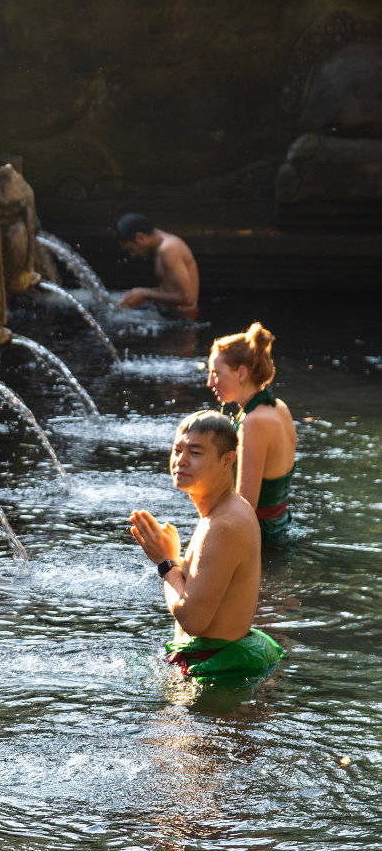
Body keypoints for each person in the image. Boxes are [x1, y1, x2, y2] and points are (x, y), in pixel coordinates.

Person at [129, 410, 283, 681]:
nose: (181, 461)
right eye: (178, 450)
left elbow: (194, 621)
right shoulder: (226, 511)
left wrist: (167, 563)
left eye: (196, 453)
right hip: (214, 669)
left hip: (216, 681)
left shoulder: (223, 525)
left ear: (227, 460)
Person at [207, 322, 297, 546]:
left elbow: (246, 506)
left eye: (216, 373)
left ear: (242, 373)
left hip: (262, 539)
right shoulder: (278, 406)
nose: (210, 382)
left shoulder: (253, 422)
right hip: (282, 527)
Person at [115, 213, 200, 320]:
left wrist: (145, 294)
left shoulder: (169, 249)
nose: (132, 255)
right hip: (169, 314)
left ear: (140, 237)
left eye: (131, 249)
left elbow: (188, 298)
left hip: (182, 318)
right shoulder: (159, 242)